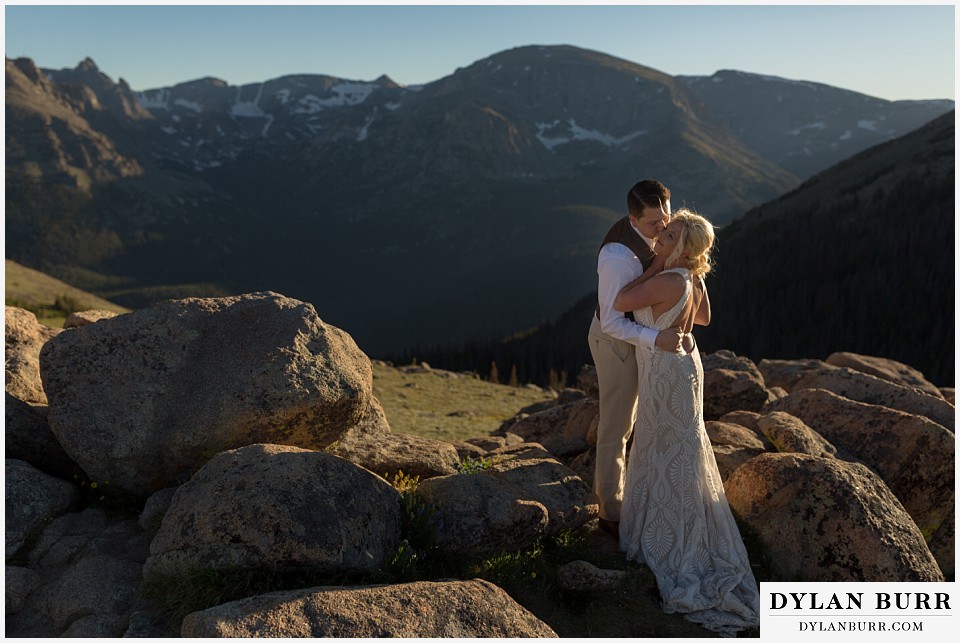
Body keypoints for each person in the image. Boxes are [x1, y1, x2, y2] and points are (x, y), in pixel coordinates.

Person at [614, 209, 760, 636]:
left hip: (665, 371)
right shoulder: (692, 280)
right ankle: (674, 528)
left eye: (670, 235)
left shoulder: (667, 277)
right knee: (681, 449)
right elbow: (704, 319)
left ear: (682, 247)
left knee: (665, 448)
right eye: (664, 231)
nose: (660, 237)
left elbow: (620, 301)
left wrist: (657, 266)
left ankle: (673, 545)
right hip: (686, 366)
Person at [588, 179, 683, 537]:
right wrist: (656, 339)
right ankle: (609, 512)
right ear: (632, 219)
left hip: (642, 337)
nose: (663, 228)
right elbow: (612, 322)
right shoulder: (617, 258)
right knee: (617, 425)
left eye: (666, 220)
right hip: (616, 343)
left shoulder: (660, 230)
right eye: (653, 224)